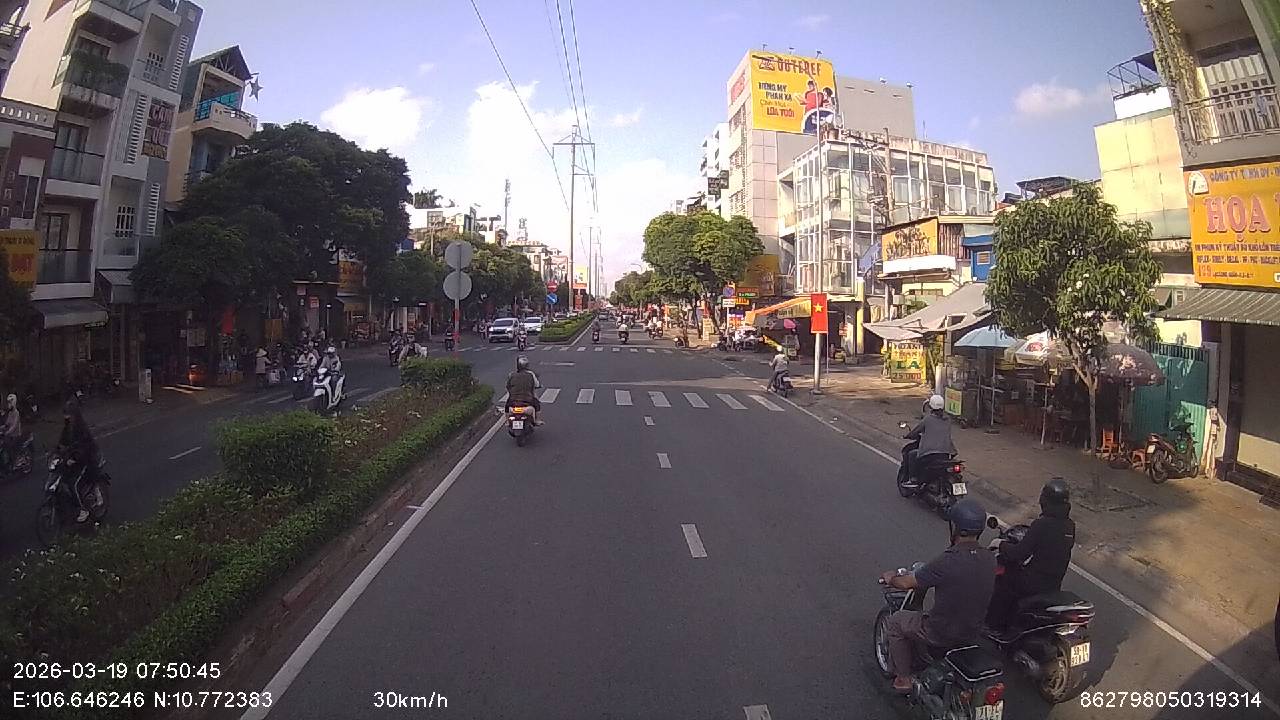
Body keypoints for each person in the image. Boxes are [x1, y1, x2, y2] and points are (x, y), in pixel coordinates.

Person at [880, 499, 996, 693]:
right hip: (973, 631)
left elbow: (906, 583)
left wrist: (891, 577)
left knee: (896, 622)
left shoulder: (948, 561)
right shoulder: (989, 558)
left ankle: (903, 679)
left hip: (941, 632)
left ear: (956, 527)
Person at [985, 478, 1076, 635]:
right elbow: (1050, 549)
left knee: (1004, 582)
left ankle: (994, 627)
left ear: (1045, 500)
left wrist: (1000, 544)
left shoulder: (1042, 525)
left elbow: (1018, 554)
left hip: (1033, 582)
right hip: (1054, 584)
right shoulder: (1069, 526)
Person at [57, 400, 101, 523]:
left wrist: (74, 458)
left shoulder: (82, 429)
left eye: (68, 415)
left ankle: (84, 510)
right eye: (65, 415)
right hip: (73, 459)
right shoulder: (67, 428)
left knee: (73, 484)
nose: (67, 417)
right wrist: (56, 451)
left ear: (74, 415)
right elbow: (62, 442)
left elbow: (85, 447)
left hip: (87, 461)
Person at [900, 395, 957, 487]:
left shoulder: (927, 419)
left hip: (929, 454)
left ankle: (913, 479)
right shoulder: (948, 420)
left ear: (931, 407)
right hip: (945, 454)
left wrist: (908, 436)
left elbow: (916, 431)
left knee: (912, 454)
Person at [505, 355, 542, 424]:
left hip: (513, 401)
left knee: (507, 406)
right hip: (528, 400)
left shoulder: (512, 375)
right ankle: (537, 420)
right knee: (537, 404)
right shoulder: (531, 375)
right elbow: (536, 385)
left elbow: (508, 386)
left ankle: (507, 421)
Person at [3, 393, 23, 471]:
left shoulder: (16, 413)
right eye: (8, 402)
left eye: (10, 402)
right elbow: (7, 423)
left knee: (10, 447)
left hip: (16, 434)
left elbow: (14, 425)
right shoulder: (10, 413)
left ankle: (15, 462)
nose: (9, 404)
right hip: (10, 435)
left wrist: (7, 432)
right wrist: (2, 427)